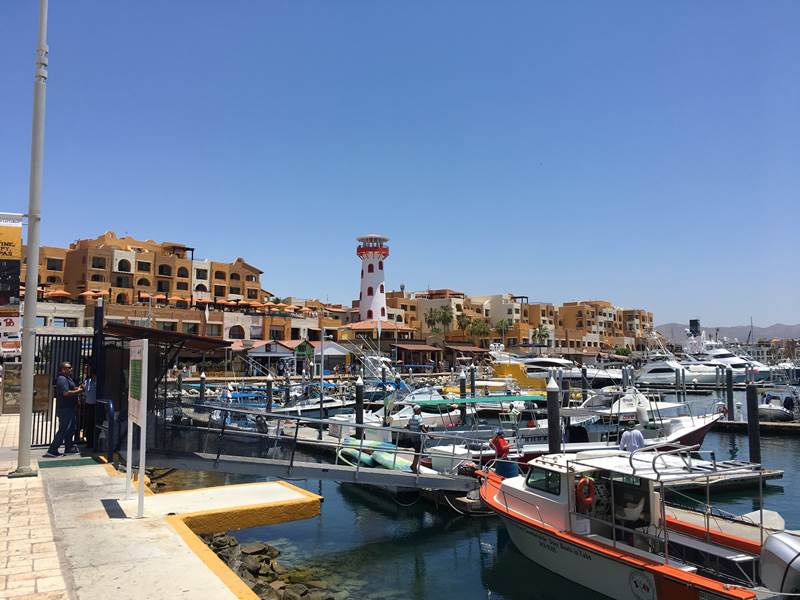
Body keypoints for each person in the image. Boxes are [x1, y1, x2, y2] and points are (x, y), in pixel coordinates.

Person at [44, 362, 84, 458]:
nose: (71, 369)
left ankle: (69, 448)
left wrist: (78, 388)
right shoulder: (61, 379)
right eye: (69, 368)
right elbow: (65, 393)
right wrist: (78, 391)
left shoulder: (67, 378)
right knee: (64, 429)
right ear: (63, 369)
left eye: (71, 367)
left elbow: (71, 388)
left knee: (70, 429)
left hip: (70, 408)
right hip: (65, 409)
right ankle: (52, 450)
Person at [406, 405, 428, 473]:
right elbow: (421, 427)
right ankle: (414, 466)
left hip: (412, 437)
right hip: (418, 437)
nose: (420, 411)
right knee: (418, 452)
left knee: (417, 451)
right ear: (417, 410)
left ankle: (413, 465)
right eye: (420, 409)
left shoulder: (411, 418)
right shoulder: (419, 418)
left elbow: (408, 427)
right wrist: (428, 434)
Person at [82, 368, 98, 450]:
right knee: (89, 424)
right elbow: (84, 392)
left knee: (96, 424)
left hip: (97, 406)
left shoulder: (99, 383)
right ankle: (89, 443)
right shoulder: (87, 382)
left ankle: (96, 443)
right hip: (89, 405)